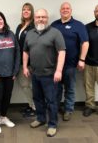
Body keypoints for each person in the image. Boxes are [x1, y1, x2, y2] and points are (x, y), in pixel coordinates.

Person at [23, 9, 66, 137]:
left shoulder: (55, 33)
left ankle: (52, 124)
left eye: (43, 17)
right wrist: (25, 67)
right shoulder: (30, 33)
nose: (40, 19)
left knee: (51, 101)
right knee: (37, 98)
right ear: (34, 19)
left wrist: (58, 70)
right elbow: (25, 51)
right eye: (38, 17)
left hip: (50, 75)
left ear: (47, 18)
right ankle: (41, 119)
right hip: (35, 74)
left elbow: (62, 52)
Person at [51, 2, 89, 121]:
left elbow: (85, 43)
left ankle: (68, 109)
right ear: (60, 10)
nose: (65, 10)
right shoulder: (54, 24)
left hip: (71, 65)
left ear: (71, 10)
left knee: (70, 88)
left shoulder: (79, 25)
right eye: (63, 8)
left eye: (67, 8)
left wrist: (82, 59)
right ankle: (55, 108)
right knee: (56, 89)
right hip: (55, 65)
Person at [15, 2, 35, 117]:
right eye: (24, 9)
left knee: (29, 85)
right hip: (21, 61)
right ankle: (31, 105)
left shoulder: (34, 26)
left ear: (31, 12)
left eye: (28, 9)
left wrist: (26, 64)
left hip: (31, 62)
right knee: (25, 85)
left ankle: (35, 107)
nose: (26, 11)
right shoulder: (19, 26)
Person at [83, 5, 98, 117]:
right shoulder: (87, 27)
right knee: (89, 87)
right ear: (94, 12)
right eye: (97, 10)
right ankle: (90, 106)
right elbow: (83, 44)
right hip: (89, 63)